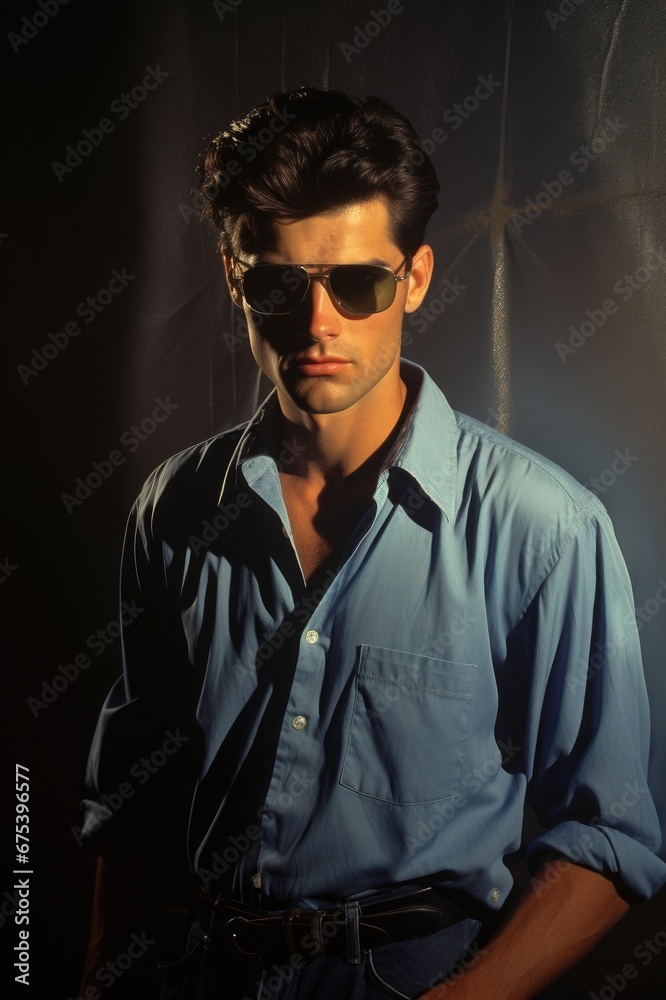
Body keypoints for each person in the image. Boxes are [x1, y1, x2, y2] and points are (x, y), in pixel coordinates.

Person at [80, 87, 666, 1000]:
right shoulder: (173, 509)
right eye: (278, 284)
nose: (318, 324)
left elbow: (609, 838)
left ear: (416, 279)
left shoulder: (542, 527)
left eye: (358, 283)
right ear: (235, 279)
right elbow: (134, 807)